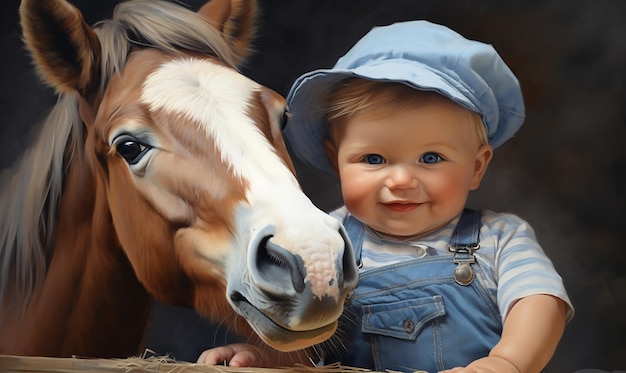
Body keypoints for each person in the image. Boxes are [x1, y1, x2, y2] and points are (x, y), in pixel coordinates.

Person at [198, 20, 574, 373]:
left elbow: (540, 302)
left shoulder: (499, 239)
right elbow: (307, 341)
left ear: (476, 167)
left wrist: (507, 362)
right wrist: (266, 359)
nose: (401, 180)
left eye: (431, 158)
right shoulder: (327, 239)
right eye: (373, 159)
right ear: (337, 160)